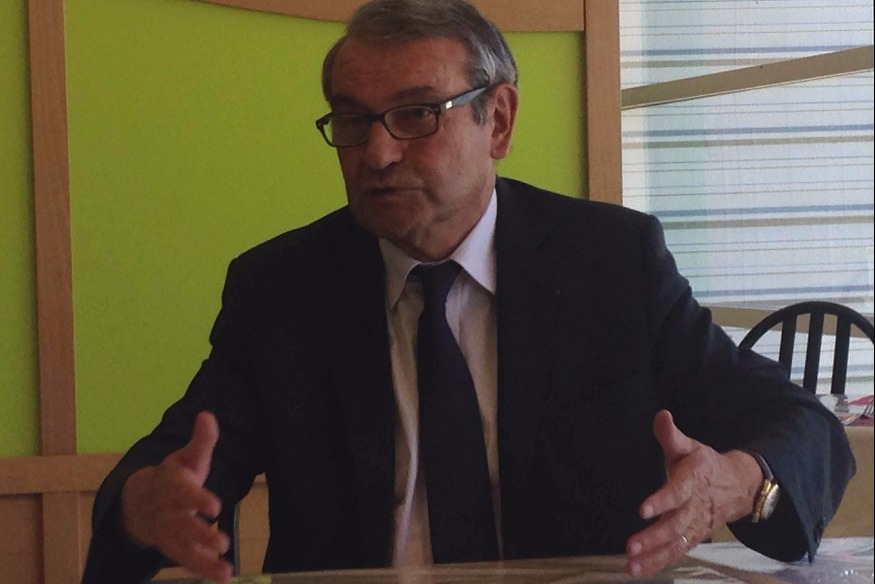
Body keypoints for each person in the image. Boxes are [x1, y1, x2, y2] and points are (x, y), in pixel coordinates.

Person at [81, 1, 855, 582]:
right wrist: (146, 503)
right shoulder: (283, 289)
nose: (377, 152)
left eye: (416, 114)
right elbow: (179, 460)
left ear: (499, 120)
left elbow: (801, 427)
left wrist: (735, 483)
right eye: (352, 120)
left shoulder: (610, 264)